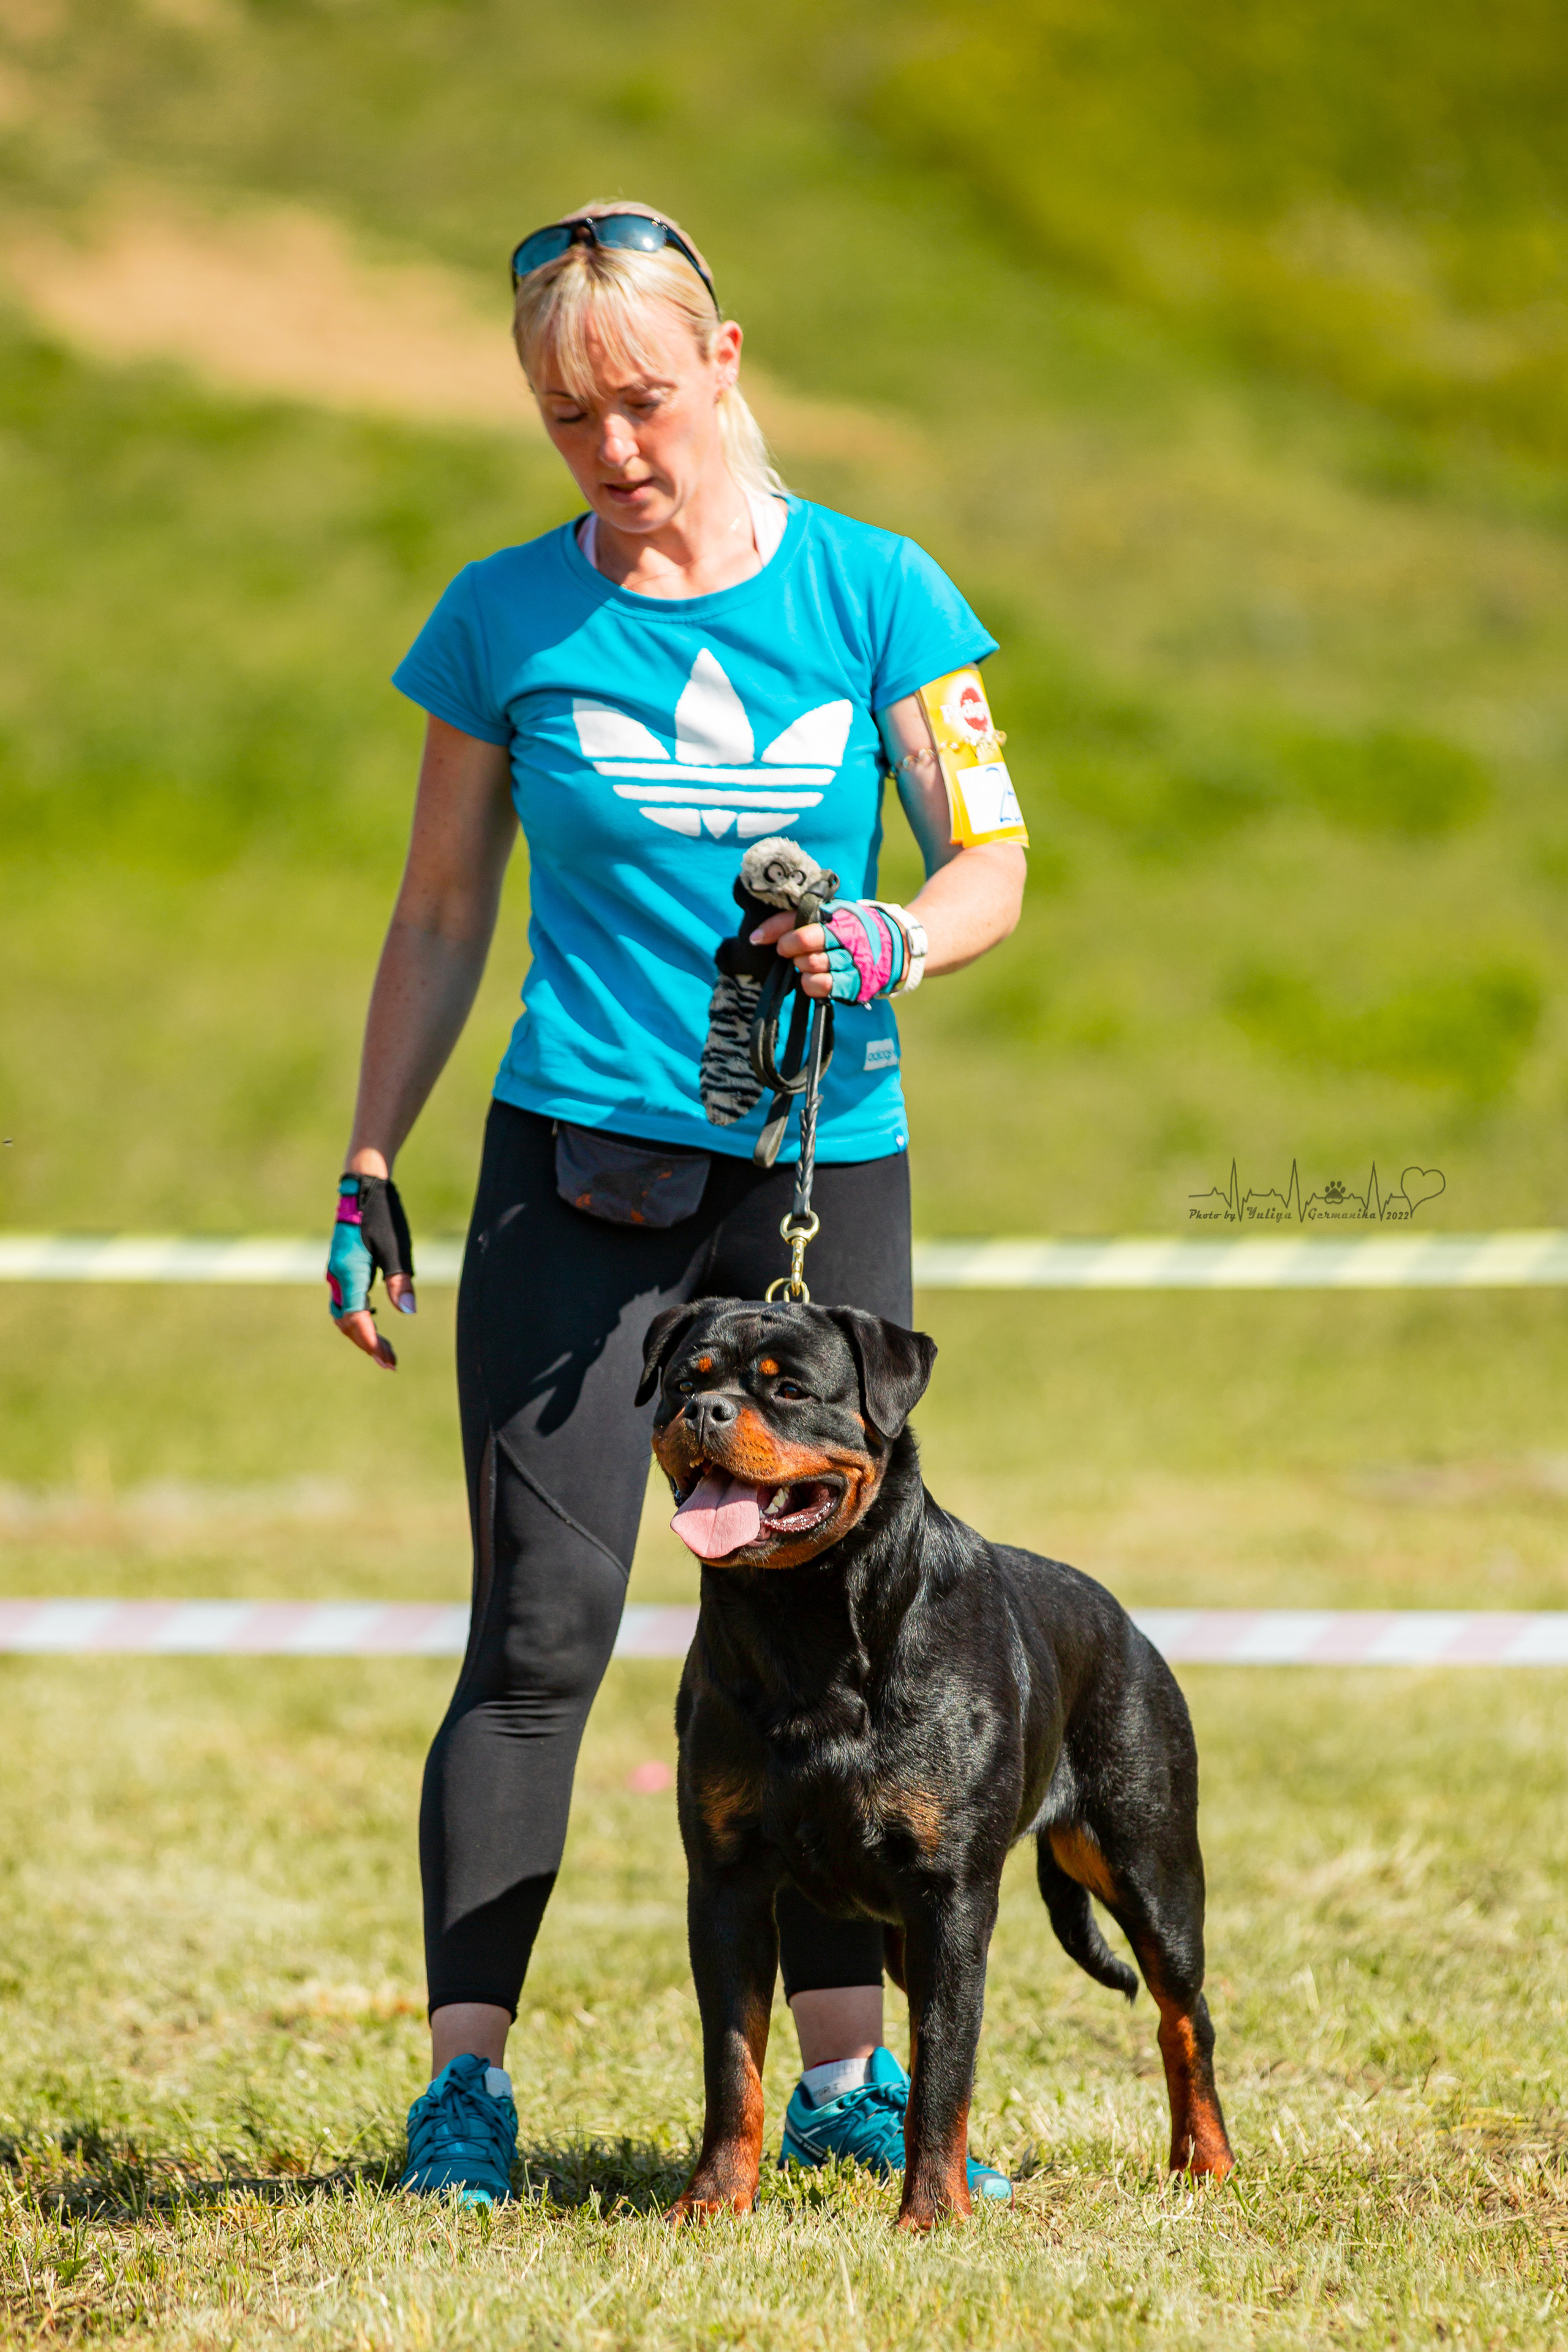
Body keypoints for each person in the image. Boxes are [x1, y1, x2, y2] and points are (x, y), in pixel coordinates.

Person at [326, 201, 1028, 2207]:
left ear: (725, 359)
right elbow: (441, 909)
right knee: (538, 1638)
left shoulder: (879, 593)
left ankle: (843, 2086)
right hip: (576, 1173)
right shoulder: (503, 621)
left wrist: (891, 935)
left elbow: (993, 857)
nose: (615, 447)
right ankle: (466, 2091)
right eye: (569, 417)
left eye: (641, 398)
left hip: (821, 1179)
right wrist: (370, 1161)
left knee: (831, 1641)